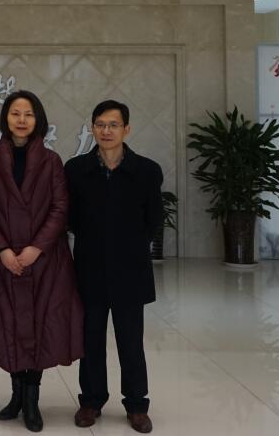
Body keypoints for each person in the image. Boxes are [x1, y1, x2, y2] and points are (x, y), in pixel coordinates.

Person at [0, 90, 82, 433]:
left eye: (29, 114)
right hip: (3, 261)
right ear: (5, 118)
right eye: (15, 113)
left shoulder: (51, 161)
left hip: (45, 261)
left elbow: (60, 208)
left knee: (39, 324)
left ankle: (32, 399)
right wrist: (2, 249)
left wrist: (36, 247)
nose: (21, 120)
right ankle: (16, 395)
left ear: (39, 120)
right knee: (8, 324)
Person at [66, 100, 163, 435]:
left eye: (113, 125)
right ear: (92, 128)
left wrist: (127, 246)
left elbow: (153, 220)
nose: (106, 131)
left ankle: (136, 405)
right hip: (90, 268)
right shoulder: (76, 170)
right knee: (90, 340)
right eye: (100, 124)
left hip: (130, 270)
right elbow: (72, 219)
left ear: (126, 129)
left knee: (130, 342)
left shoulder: (147, 171)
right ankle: (91, 401)